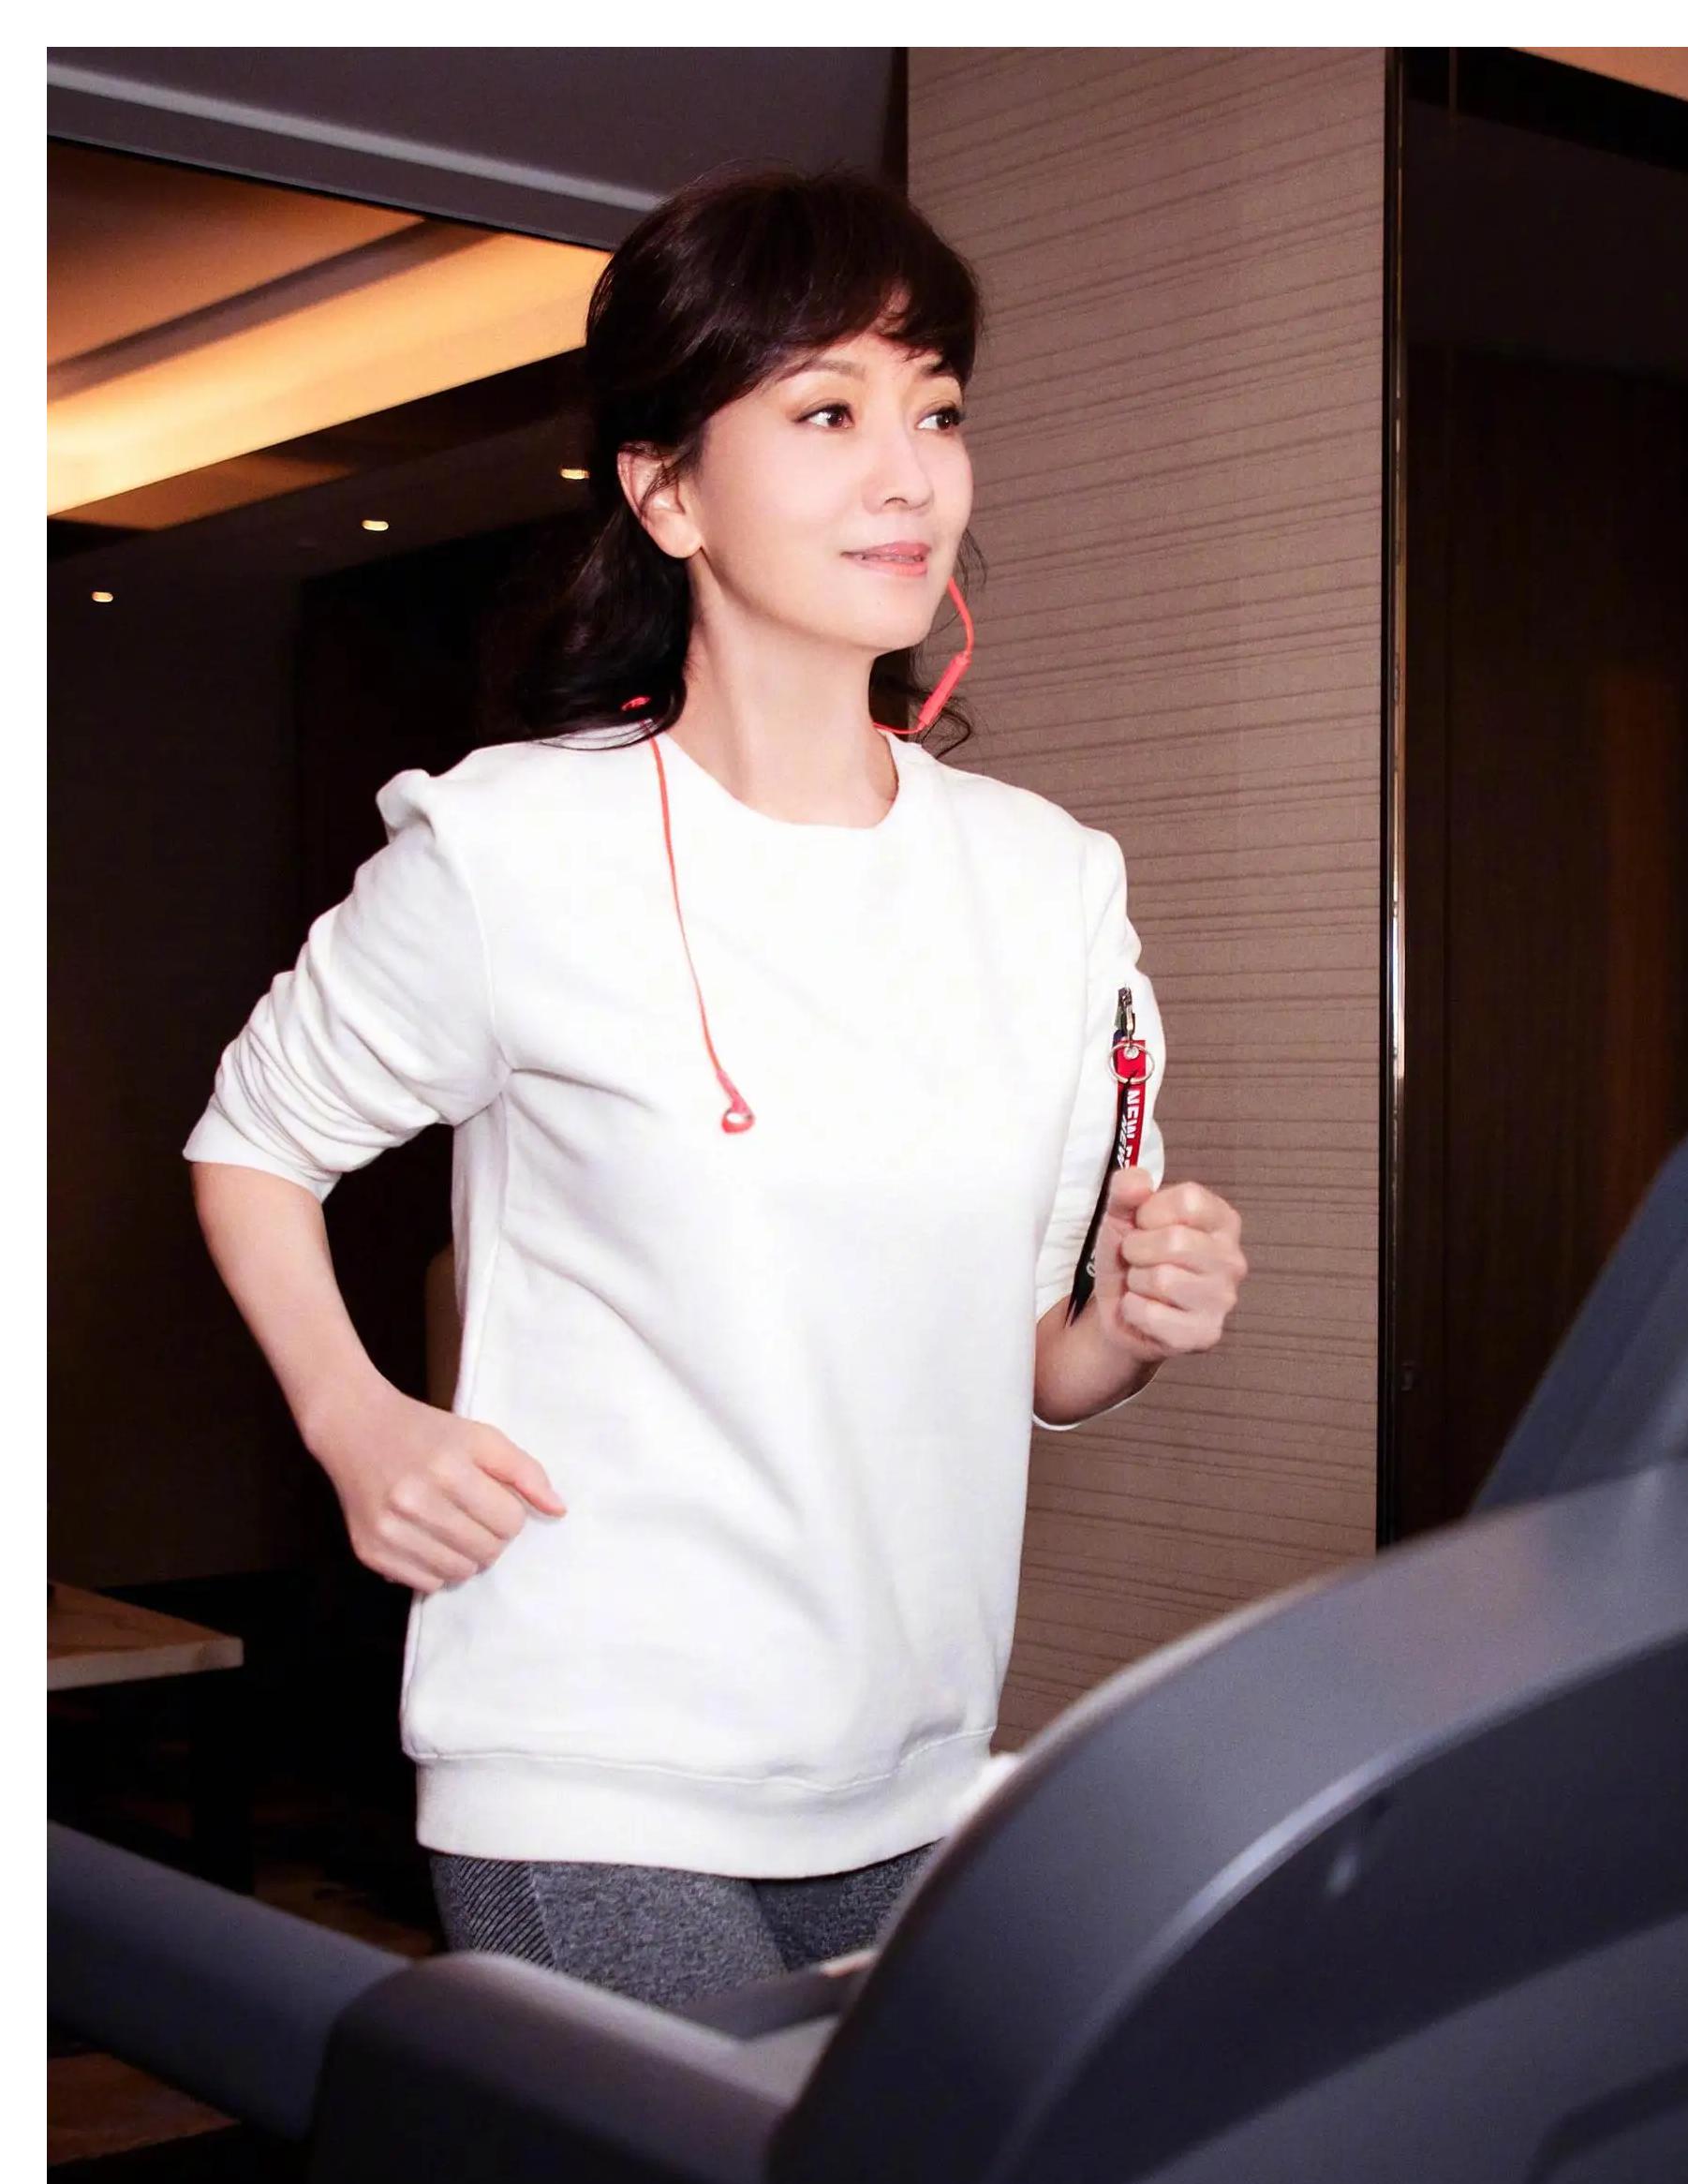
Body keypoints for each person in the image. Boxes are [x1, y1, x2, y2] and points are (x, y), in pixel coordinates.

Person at [183, 164, 1247, 2015]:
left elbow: (1027, 1357)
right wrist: (355, 1419)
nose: (908, 476)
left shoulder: (1051, 882)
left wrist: (1132, 1325)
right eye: (828, 412)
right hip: (594, 1765)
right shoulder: (514, 851)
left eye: (936, 414)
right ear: (667, 490)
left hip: (915, 1764)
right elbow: (252, 1141)